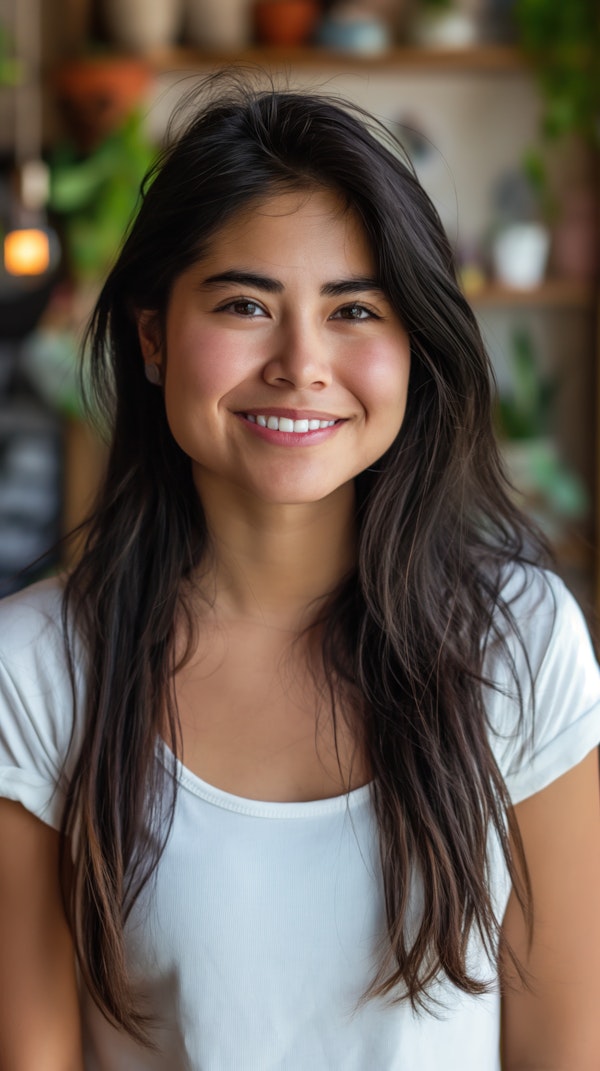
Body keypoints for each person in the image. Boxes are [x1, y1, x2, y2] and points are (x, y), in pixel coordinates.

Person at [0, 74, 599, 1071]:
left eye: (356, 311)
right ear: (153, 337)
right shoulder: (34, 671)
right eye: (244, 303)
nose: (300, 362)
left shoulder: (522, 642)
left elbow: (566, 1050)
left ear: (414, 345)